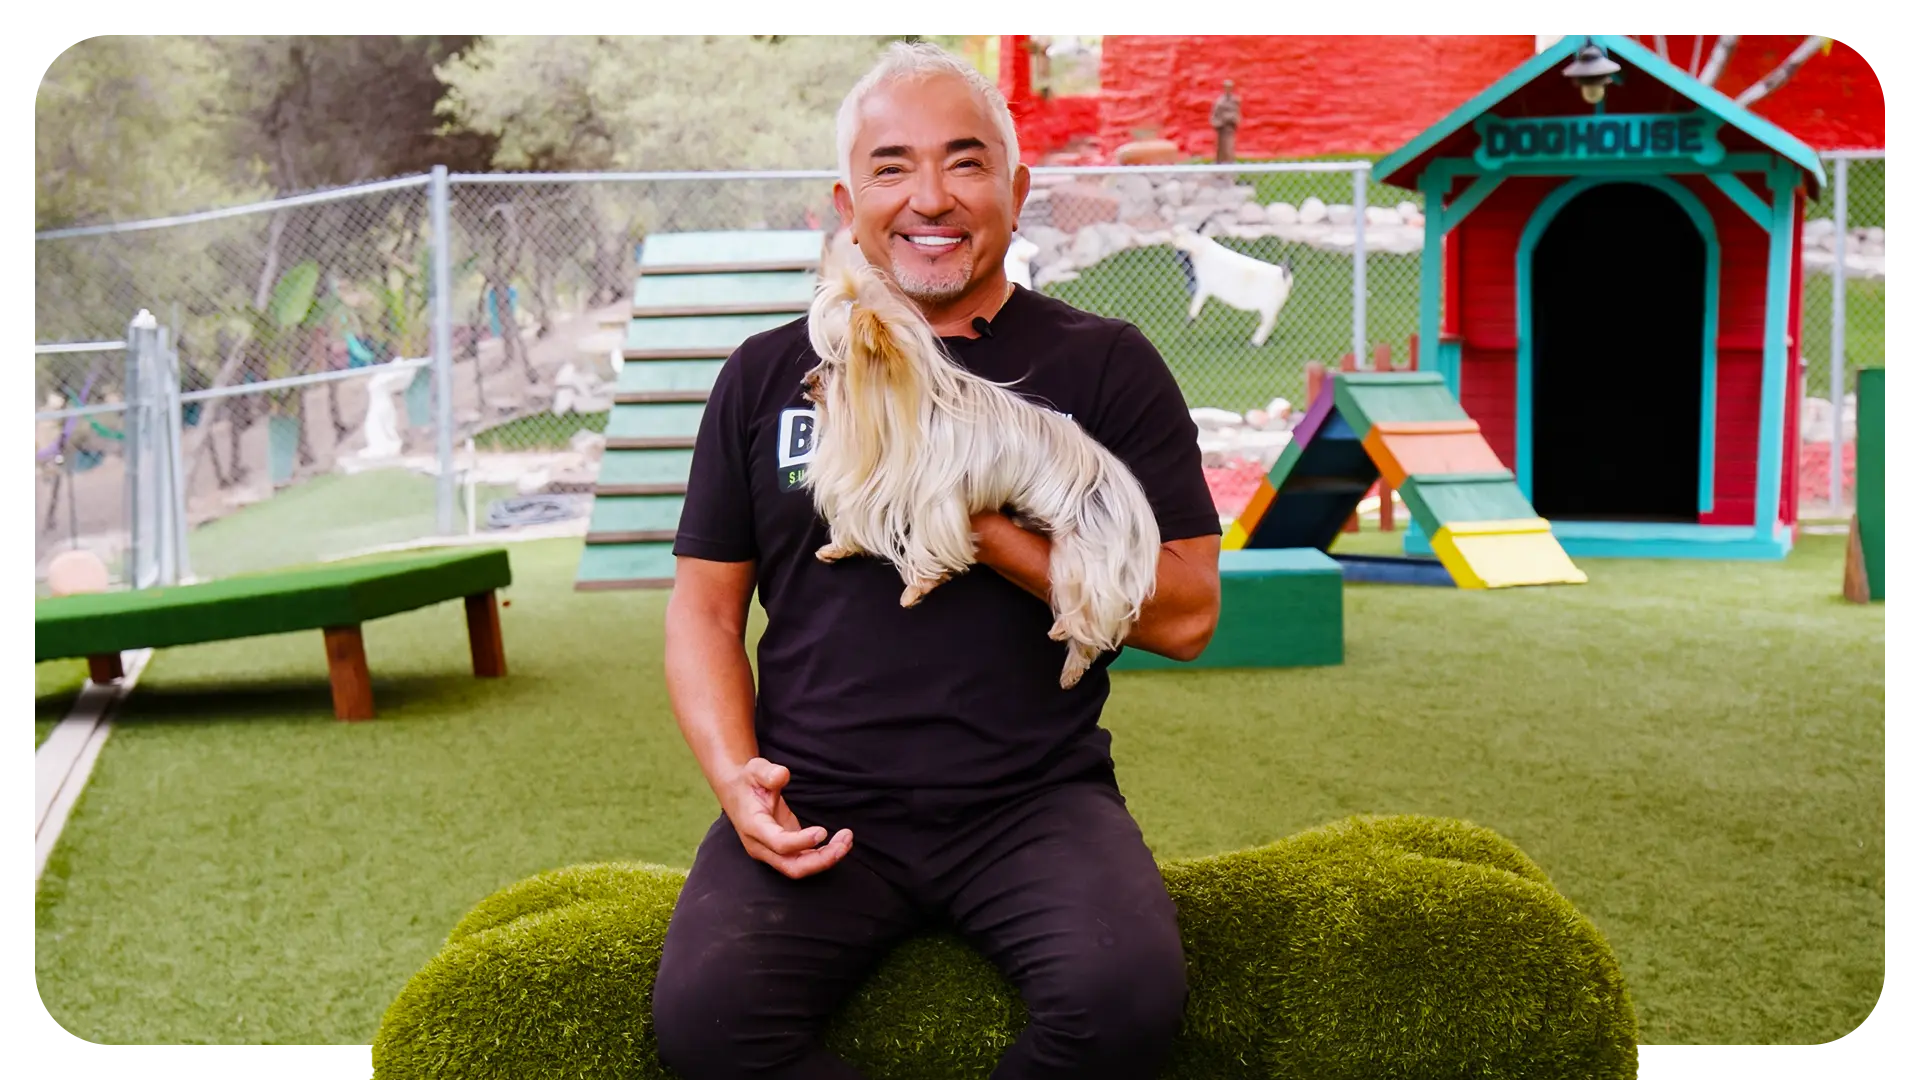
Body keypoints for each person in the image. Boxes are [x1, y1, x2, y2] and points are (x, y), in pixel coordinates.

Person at [653, 41, 1224, 1079]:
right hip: (818, 794)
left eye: (966, 162)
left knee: (1127, 1001)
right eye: (892, 166)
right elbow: (702, 612)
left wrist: (981, 525)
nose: (931, 197)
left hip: (1032, 799)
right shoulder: (766, 375)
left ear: (1016, 186)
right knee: (706, 1023)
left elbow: (1186, 616)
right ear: (847, 199)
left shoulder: (1104, 366)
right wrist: (738, 782)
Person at [1210, 79, 1241, 164]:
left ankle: (1230, 165)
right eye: (1227, 87)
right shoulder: (1220, 102)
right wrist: (1218, 122)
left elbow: (1236, 112)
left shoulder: (1235, 100)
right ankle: (1219, 165)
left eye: (1230, 87)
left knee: (1229, 147)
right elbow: (1215, 114)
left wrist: (1234, 119)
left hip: (1230, 127)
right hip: (1222, 127)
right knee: (1221, 148)